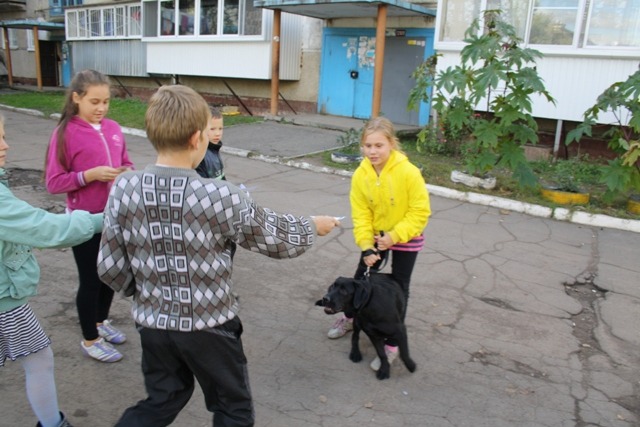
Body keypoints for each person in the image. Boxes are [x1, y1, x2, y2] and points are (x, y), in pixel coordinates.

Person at [97, 85, 340, 427]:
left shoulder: (124, 187)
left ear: (153, 134)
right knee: (232, 409)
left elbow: (109, 266)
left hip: (153, 326)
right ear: (198, 138)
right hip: (210, 325)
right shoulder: (220, 195)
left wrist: (144, 293)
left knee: (161, 400)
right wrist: (312, 226)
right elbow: (275, 238)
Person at [0, 114, 104, 427]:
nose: (6, 145)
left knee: (38, 358)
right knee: (39, 358)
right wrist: (107, 219)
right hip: (5, 302)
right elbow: (47, 229)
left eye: (4, 135)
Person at [326, 116, 431, 371]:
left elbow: (420, 211)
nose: (372, 151)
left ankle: (393, 342)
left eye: (378, 146)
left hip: (406, 234)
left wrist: (394, 236)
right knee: (360, 279)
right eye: (367, 146)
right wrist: (367, 246)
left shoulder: (408, 172)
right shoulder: (361, 175)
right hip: (374, 236)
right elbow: (360, 213)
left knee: (399, 287)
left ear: (391, 144)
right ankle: (350, 318)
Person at [44, 69, 134, 363]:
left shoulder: (113, 128)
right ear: (76, 98)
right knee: (91, 280)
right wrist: (88, 176)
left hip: (114, 218)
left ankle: (100, 322)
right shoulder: (64, 133)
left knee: (111, 277)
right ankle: (90, 339)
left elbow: (126, 162)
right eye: (95, 101)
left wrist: (127, 172)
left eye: (106, 102)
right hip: (83, 222)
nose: (101, 108)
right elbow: (54, 182)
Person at [196, 107, 226, 180]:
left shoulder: (214, 148)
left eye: (220, 128)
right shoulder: (199, 155)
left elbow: (220, 177)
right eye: (212, 129)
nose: (217, 133)